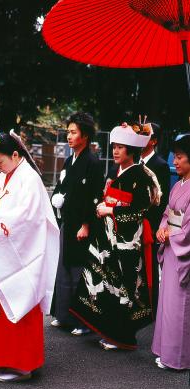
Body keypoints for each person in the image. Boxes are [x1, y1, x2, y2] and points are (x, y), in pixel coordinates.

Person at [0, 131, 59, 382]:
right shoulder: (1, 179)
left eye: (1, 161)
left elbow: (26, 218)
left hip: (22, 255)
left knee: (20, 302)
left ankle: (21, 365)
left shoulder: (30, 180)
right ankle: (0, 359)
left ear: (16, 155)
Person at [70, 123, 161, 349]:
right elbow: (106, 197)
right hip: (107, 236)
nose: (116, 152)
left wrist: (112, 210)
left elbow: (142, 210)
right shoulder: (114, 172)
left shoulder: (141, 175)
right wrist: (103, 206)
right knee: (106, 282)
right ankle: (107, 330)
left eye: (121, 147)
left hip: (127, 240)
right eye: (114, 147)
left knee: (125, 286)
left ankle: (122, 336)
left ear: (132, 150)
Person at [50, 112, 103, 335]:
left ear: (85, 136)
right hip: (68, 221)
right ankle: (64, 315)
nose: (69, 136)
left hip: (83, 225)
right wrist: (57, 198)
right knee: (64, 267)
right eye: (68, 132)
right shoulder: (70, 160)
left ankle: (82, 321)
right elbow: (62, 186)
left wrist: (86, 224)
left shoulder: (93, 163)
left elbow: (94, 196)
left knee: (80, 270)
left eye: (73, 132)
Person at [152, 135, 190, 370]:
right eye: (174, 157)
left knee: (181, 306)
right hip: (171, 247)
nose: (174, 162)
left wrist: (172, 235)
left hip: (182, 249)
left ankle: (179, 358)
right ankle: (166, 350)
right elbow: (168, 212)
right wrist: (162, 228)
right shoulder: (179, 184)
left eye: (179, 157)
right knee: (167, 303)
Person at [133, 120, 170, 318]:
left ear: (153, 141)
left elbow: (160, 201)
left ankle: (151, 307)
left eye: (145, 133)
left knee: (149, 265)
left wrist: (154, 225)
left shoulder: (161, 165)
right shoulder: (133, 162)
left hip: (149, 222)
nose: (140, 135)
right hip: (131, 221)